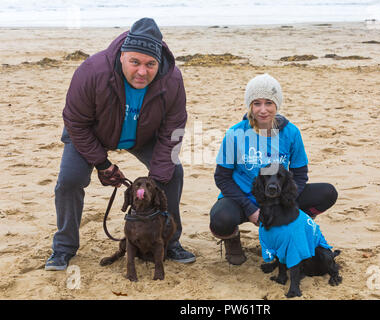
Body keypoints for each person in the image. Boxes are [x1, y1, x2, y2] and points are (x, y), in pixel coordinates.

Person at [45, 18, 196, 271]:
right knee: (69, 180)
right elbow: (75, 121)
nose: (142, 71)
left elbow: (173, 129)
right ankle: (63, 247)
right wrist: (102, 164)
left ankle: (169, 242)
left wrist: (156, 180)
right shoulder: (92, 71)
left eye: (150, 64)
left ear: (159, 63)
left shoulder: (172, 80)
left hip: (142, 135)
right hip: (93, 133)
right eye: (135, 62)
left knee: (173, 172)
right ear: (122, 55)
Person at [209, 73, 338, 265]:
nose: (263, 110)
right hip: (244, 198)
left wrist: (287, 203)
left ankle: (293, 224)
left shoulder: (290, 132)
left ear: (277, 104)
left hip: (279, 196)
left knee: (327, 192)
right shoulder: (235, 133)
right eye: (257, 103)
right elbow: (222, 178)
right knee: (220, 219)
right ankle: (232, 241)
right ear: (250, 106)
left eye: (268, 103)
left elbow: (300, 174)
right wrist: (250, 208)